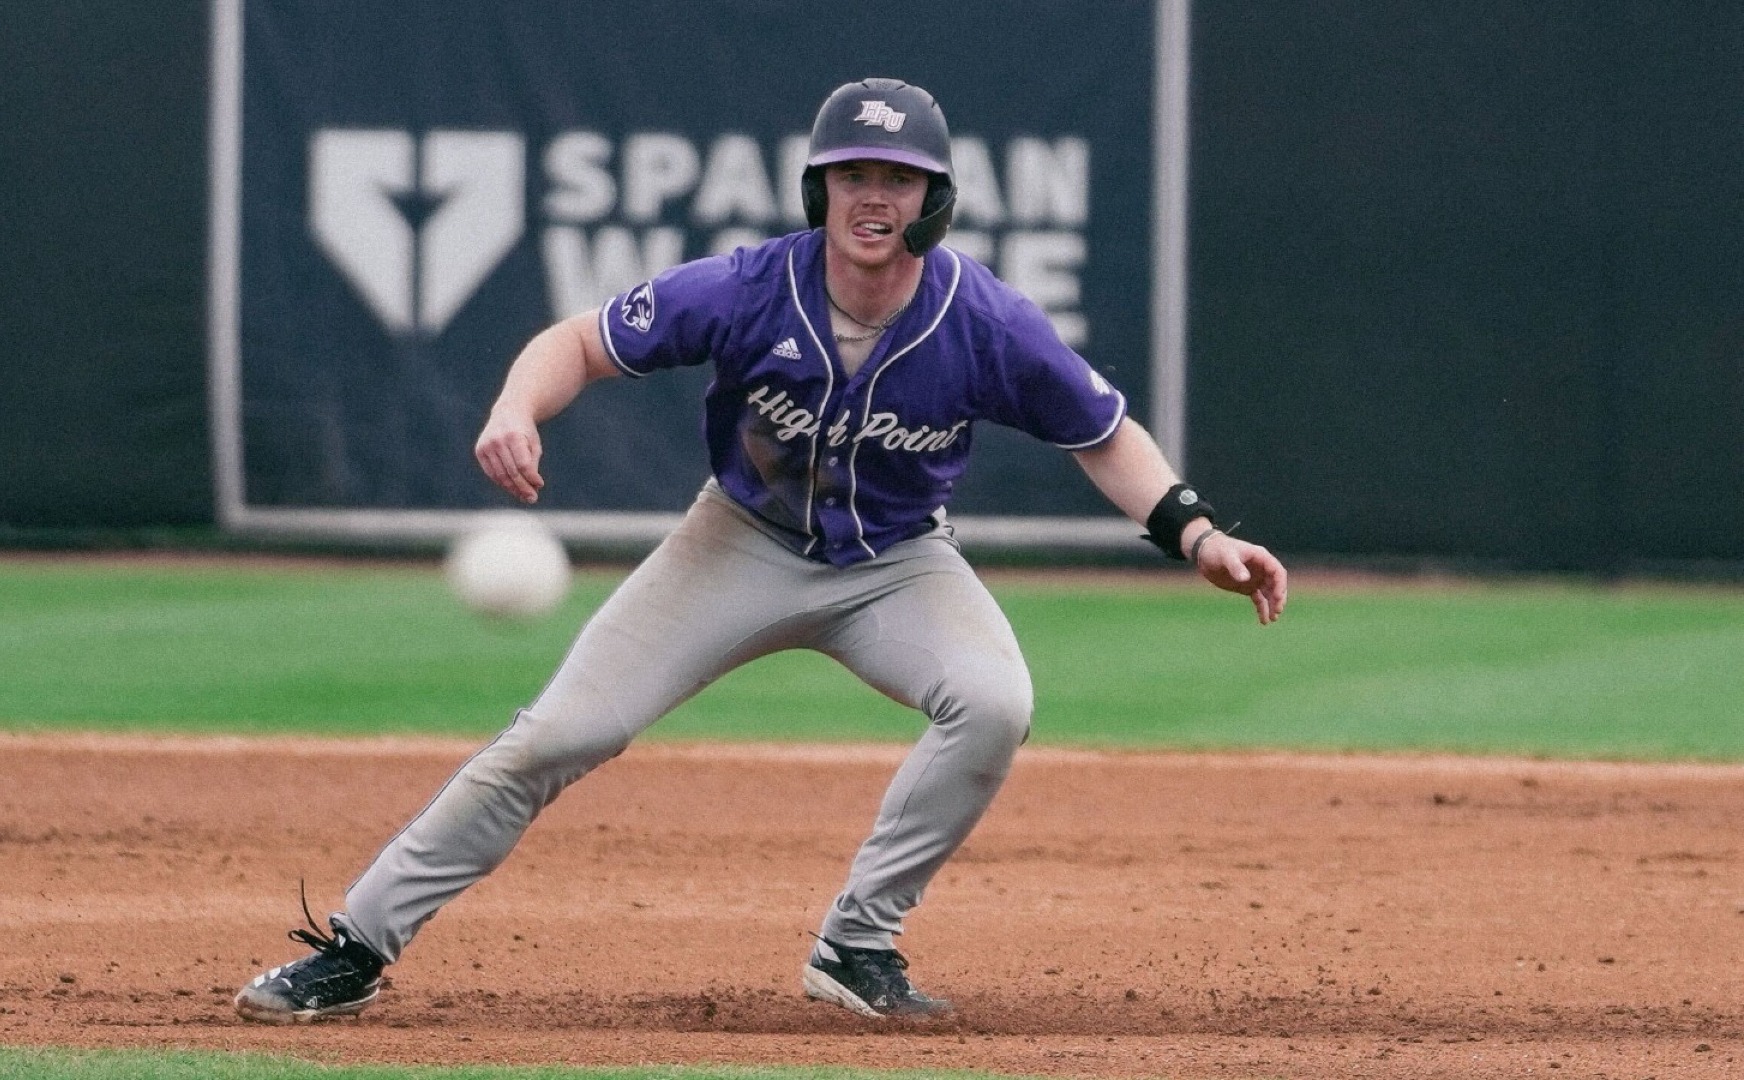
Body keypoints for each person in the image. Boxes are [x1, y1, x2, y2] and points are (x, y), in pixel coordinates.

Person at [235, 77, 1288, 1024]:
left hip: (898, 563)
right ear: (818, 189)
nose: (873, 197)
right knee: (560, 735)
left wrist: (1194, 531)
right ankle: (356, 946)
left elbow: (1101, 432)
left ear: (935, 200)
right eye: (852, 175)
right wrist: (517, 405)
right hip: (735, 541)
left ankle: (858, 945)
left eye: (899, 178)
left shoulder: (986, 321)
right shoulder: (747, 288)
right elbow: (581, 342)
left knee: (994, 702)